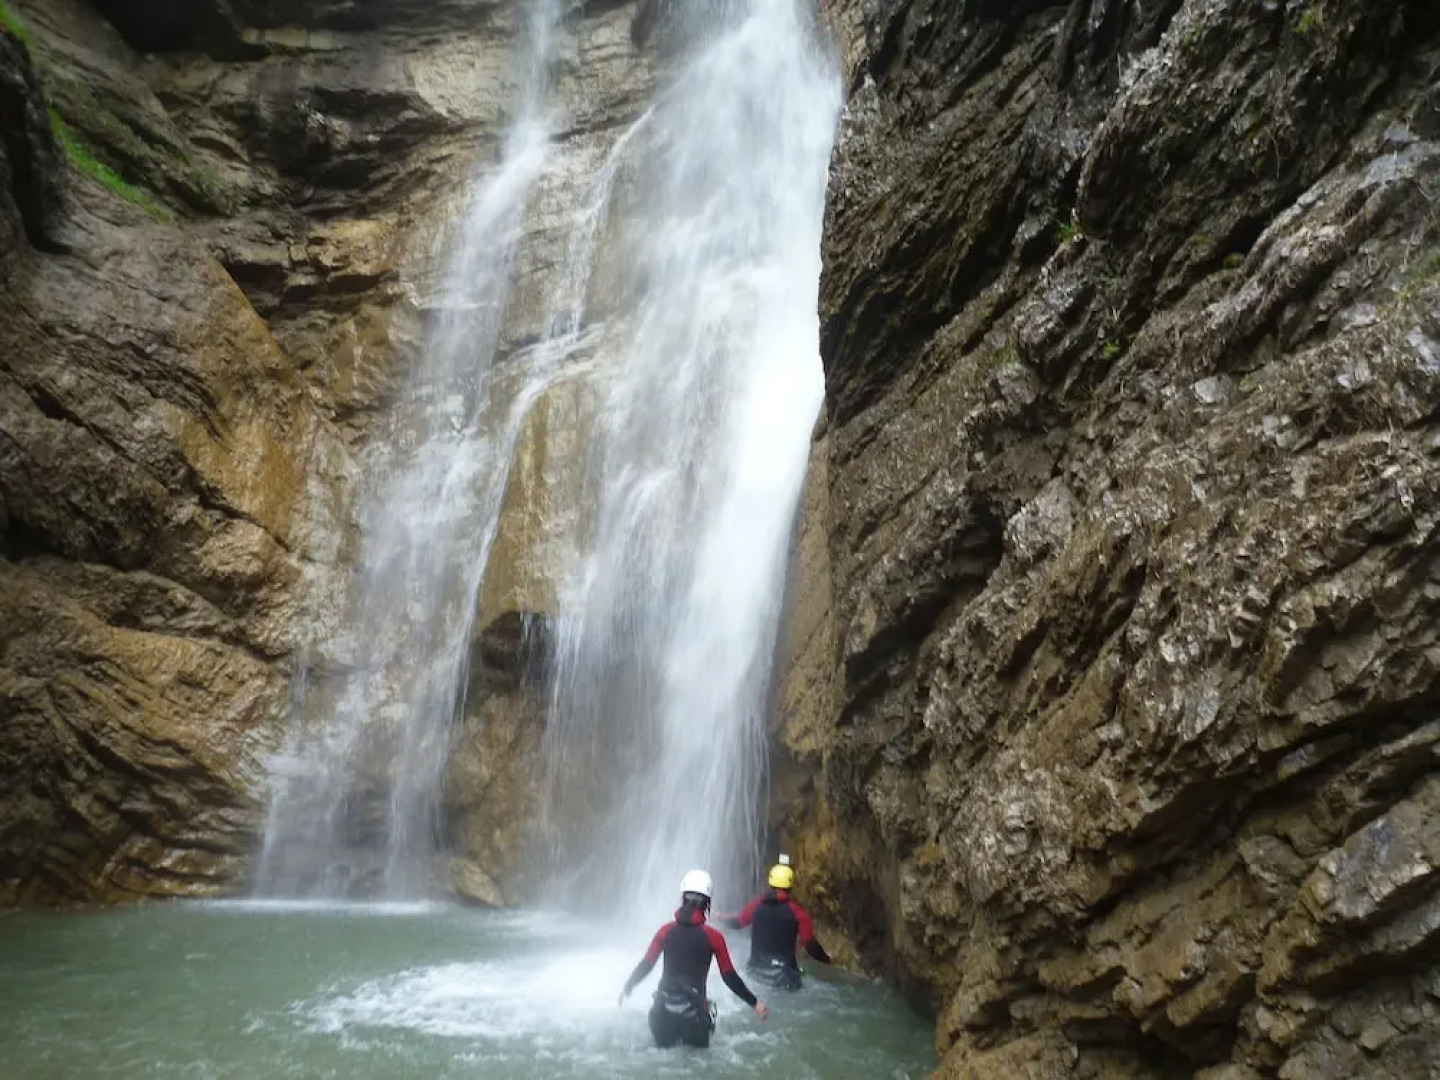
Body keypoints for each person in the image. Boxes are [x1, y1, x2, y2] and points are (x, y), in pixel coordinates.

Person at [618, 869, 769, 1049]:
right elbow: (729, 977)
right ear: (707, 904)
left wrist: (629, 986)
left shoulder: (665, 931)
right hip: (694, 1020)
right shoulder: (714, 937)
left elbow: (647, 964)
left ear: (682, 899)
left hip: (662, 1016)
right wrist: (755, 1003)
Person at [720, 857, 832, 990]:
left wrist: (718, 917)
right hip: (784, 978)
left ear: (770, 884)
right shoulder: (797, 912)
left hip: (755, 973)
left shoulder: (756, 905)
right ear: (790, 886)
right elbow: (810, 945)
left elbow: (737, 922)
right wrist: (827, 959)